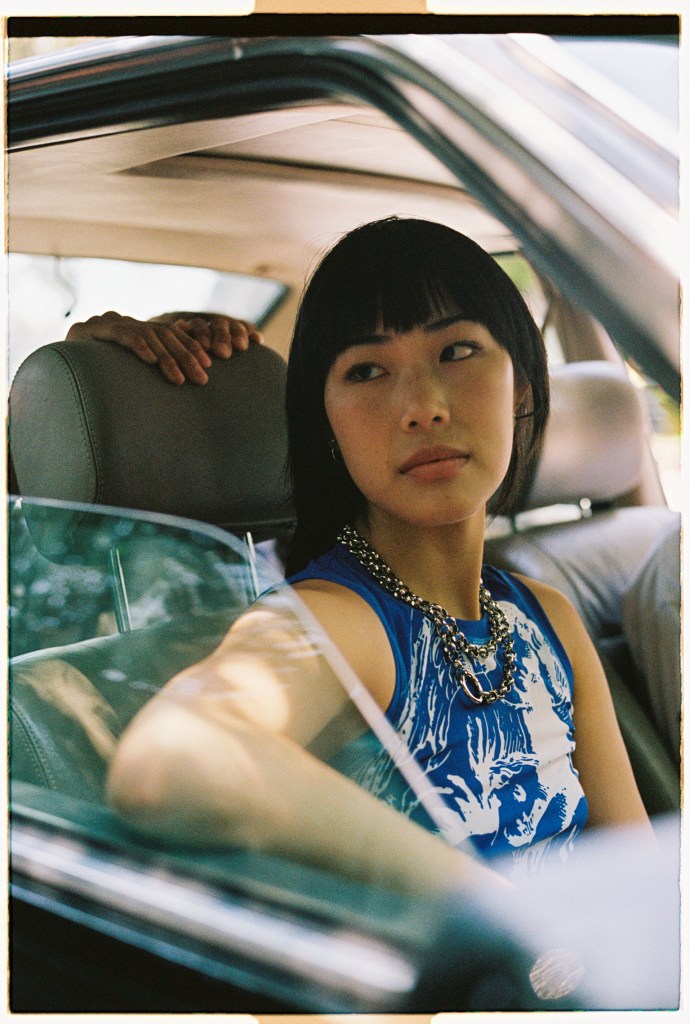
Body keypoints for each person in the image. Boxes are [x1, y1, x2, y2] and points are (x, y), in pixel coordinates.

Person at [94, 218, 650, 898]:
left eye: (457, 351)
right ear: (327, 424)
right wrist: (492, 910)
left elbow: (642, 884)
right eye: (366, 370)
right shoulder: (341, 621)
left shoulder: (547, 616)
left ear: (522, 389)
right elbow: (171, 761)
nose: (422, 407)